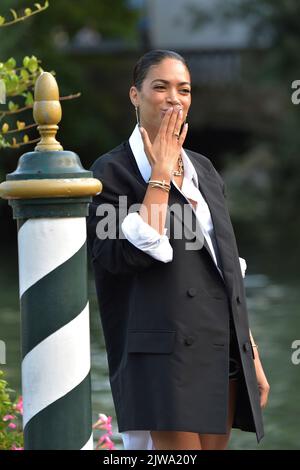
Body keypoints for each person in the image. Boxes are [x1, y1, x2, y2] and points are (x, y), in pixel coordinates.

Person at [86, 49, 270, 450]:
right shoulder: (110, 172)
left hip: (219, 348)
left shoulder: (205, 169)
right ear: (135, 95)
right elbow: (120, 257)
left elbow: (227, 267)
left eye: (183, 89)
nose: (174, 98)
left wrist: (250, 350)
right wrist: (160, 175)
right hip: (159, 353)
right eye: (160, 87)